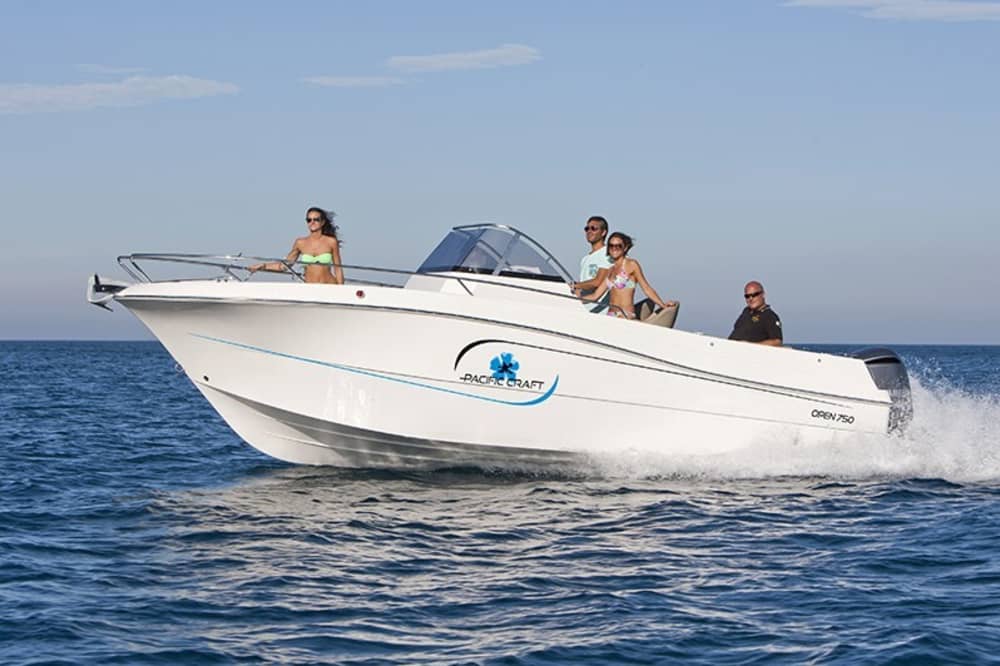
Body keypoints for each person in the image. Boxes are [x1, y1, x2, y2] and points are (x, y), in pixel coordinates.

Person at [583, 232, 676, 319]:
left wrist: (662, 305)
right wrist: (573, 300)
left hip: (626, 316)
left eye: (618, 246)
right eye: (611, 246)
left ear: (625, 248)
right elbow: (595, 296)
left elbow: (646, 288)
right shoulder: (610, 270)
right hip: (611, 315)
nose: (614, 248)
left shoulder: (631, 264)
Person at [250, 207, 344, 284]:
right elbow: (284, 266)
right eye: (309, 220)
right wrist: (263, 266)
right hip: (309, 289)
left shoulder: (331, 242)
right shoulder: (300, 242)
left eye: (316, 219)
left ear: (322, 222)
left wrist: (341, 291)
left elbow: (338, 269)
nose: (312, 222)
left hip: (329, 287)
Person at [728, 281, 782, 346]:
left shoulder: (770, 316)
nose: (751, 299)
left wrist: (750, 346)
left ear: (763, 294)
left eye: (754, 295)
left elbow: (777, 342)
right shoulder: (746, 312)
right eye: (747, 296)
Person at [571, 215, 613, 297]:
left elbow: (598, 282)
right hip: (585, 306)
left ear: (603, 232)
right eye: (587, 229)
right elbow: (582, 288)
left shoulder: (607, 253)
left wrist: (574, 285)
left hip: (600, 308)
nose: (589, 231)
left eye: (593, 228)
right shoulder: (585, 259)